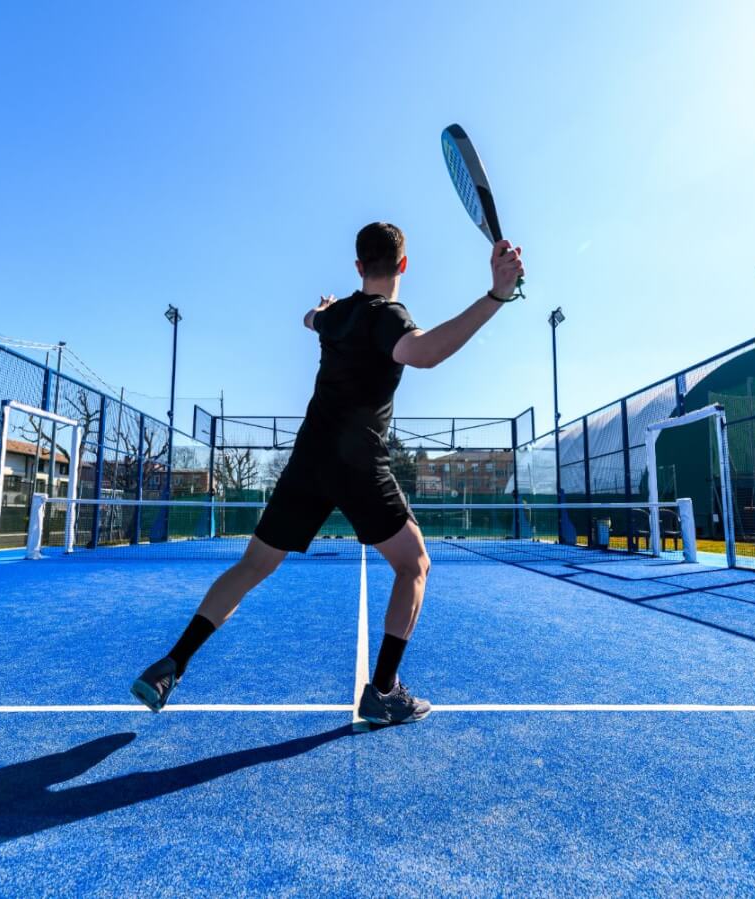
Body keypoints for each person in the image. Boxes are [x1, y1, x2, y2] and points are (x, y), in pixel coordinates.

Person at [131, 222, 524, 725]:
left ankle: (172, 663)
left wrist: (323, 308)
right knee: (414, 565)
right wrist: (496, 294)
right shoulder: (388, 317)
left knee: (251, 566)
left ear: (359, 266)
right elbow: (423, 352)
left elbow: (308, 318)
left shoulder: (334, 315)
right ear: (403, 265)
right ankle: (383, 691)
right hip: (357, 463)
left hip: (308, 459)